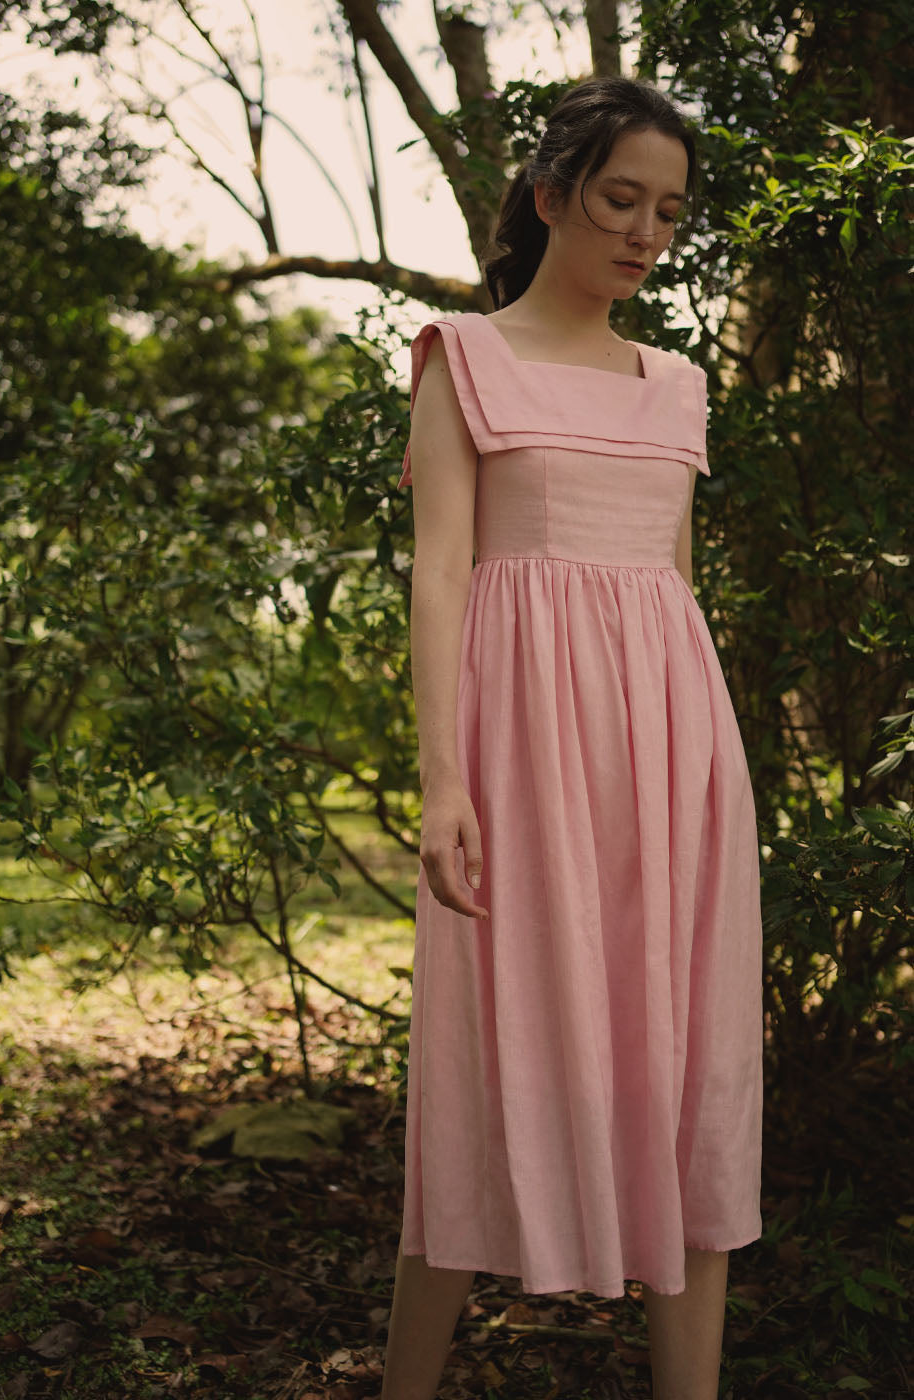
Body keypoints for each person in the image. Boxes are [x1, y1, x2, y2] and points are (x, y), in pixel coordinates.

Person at [381, 75, 764, 1400]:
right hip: (520, 762)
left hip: (674, 763)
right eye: (619, 200)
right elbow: (441, 575)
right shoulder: (460, 355)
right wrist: (443, 780)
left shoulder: (678, 386)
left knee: (685, 1077)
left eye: (667, 211)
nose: (646, 232)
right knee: (489, 1062)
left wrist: (705, 779)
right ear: (550, 196)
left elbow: (670, 589)